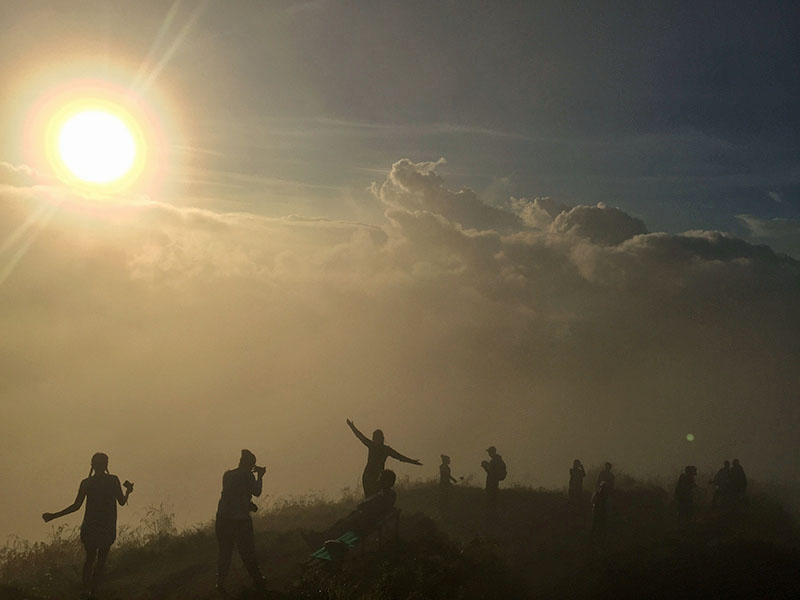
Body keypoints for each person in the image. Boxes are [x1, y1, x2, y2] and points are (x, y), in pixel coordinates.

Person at [42, 452, 133, 597]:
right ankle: (95, 590)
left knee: (90, 559)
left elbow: (75, 506)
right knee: (101, 559)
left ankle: (86, 590)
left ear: (92, 465)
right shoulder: (113, 480)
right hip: (107, 526)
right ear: (106, 465)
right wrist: (128, 491)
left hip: (90, 526)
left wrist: (54, 516)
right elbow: (121, 502)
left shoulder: (87, 483)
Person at [305, 469, 398, 552]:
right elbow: (366, 506)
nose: (378, 480)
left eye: (380, 478)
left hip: (364, 523)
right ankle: (319, 538)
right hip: (363, 520)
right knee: (341, 523)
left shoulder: (386, 495)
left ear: (385, 481)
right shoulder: (384, 494)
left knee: (342, 525)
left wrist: (364, 507)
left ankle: (320, 541)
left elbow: (373, 509)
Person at [215, 449, 266, 593]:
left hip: (223, 519)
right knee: (247, 552)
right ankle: (258, 579)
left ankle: (220, 583)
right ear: (250, 465)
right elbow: (257, 492)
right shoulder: (247, 475)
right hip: (240, 521)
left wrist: (248, 504)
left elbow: (233, 496)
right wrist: (260, 476)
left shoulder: (228, 475)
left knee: (224, 553)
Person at [346, 419, 422, 497]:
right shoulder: (371, 445)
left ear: (381, 438)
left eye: (377, 438)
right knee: (369, 498)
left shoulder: (386, 450)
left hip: (379, 477)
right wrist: (352, 426)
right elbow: (360, 436)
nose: (375, 439)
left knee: (378, 497)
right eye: (374, 438)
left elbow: (399, 457)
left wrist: (412, 461)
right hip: (368, 476)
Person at [481, 446, 507, 513]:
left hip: (492, 482)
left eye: (489, 452)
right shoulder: (498, 460)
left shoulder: (494, 461)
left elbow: (491, 472)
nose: (488, 454)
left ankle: (491, 514)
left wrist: (485, 466)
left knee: (491, 499)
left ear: (492, 452)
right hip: (495, 481)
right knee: (493, 498)